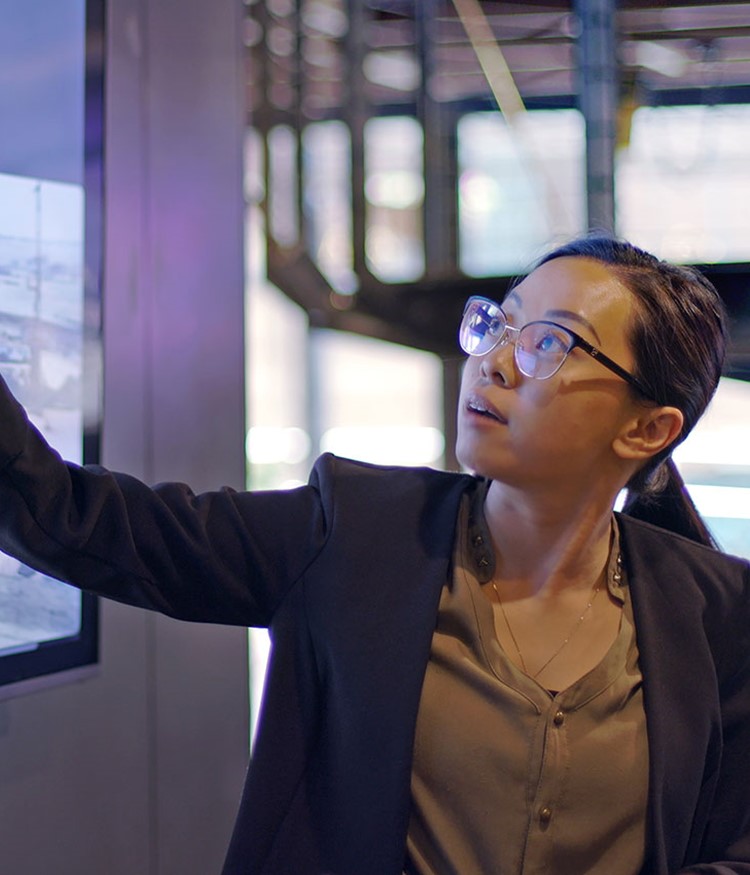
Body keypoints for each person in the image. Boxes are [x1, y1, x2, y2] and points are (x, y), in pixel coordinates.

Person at [0, 234, 747, 875]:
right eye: (498, 325)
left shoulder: (718, 614)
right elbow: (73, 518)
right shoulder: (353, 536)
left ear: (647, 430)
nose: (493, 362)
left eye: (548, 343)